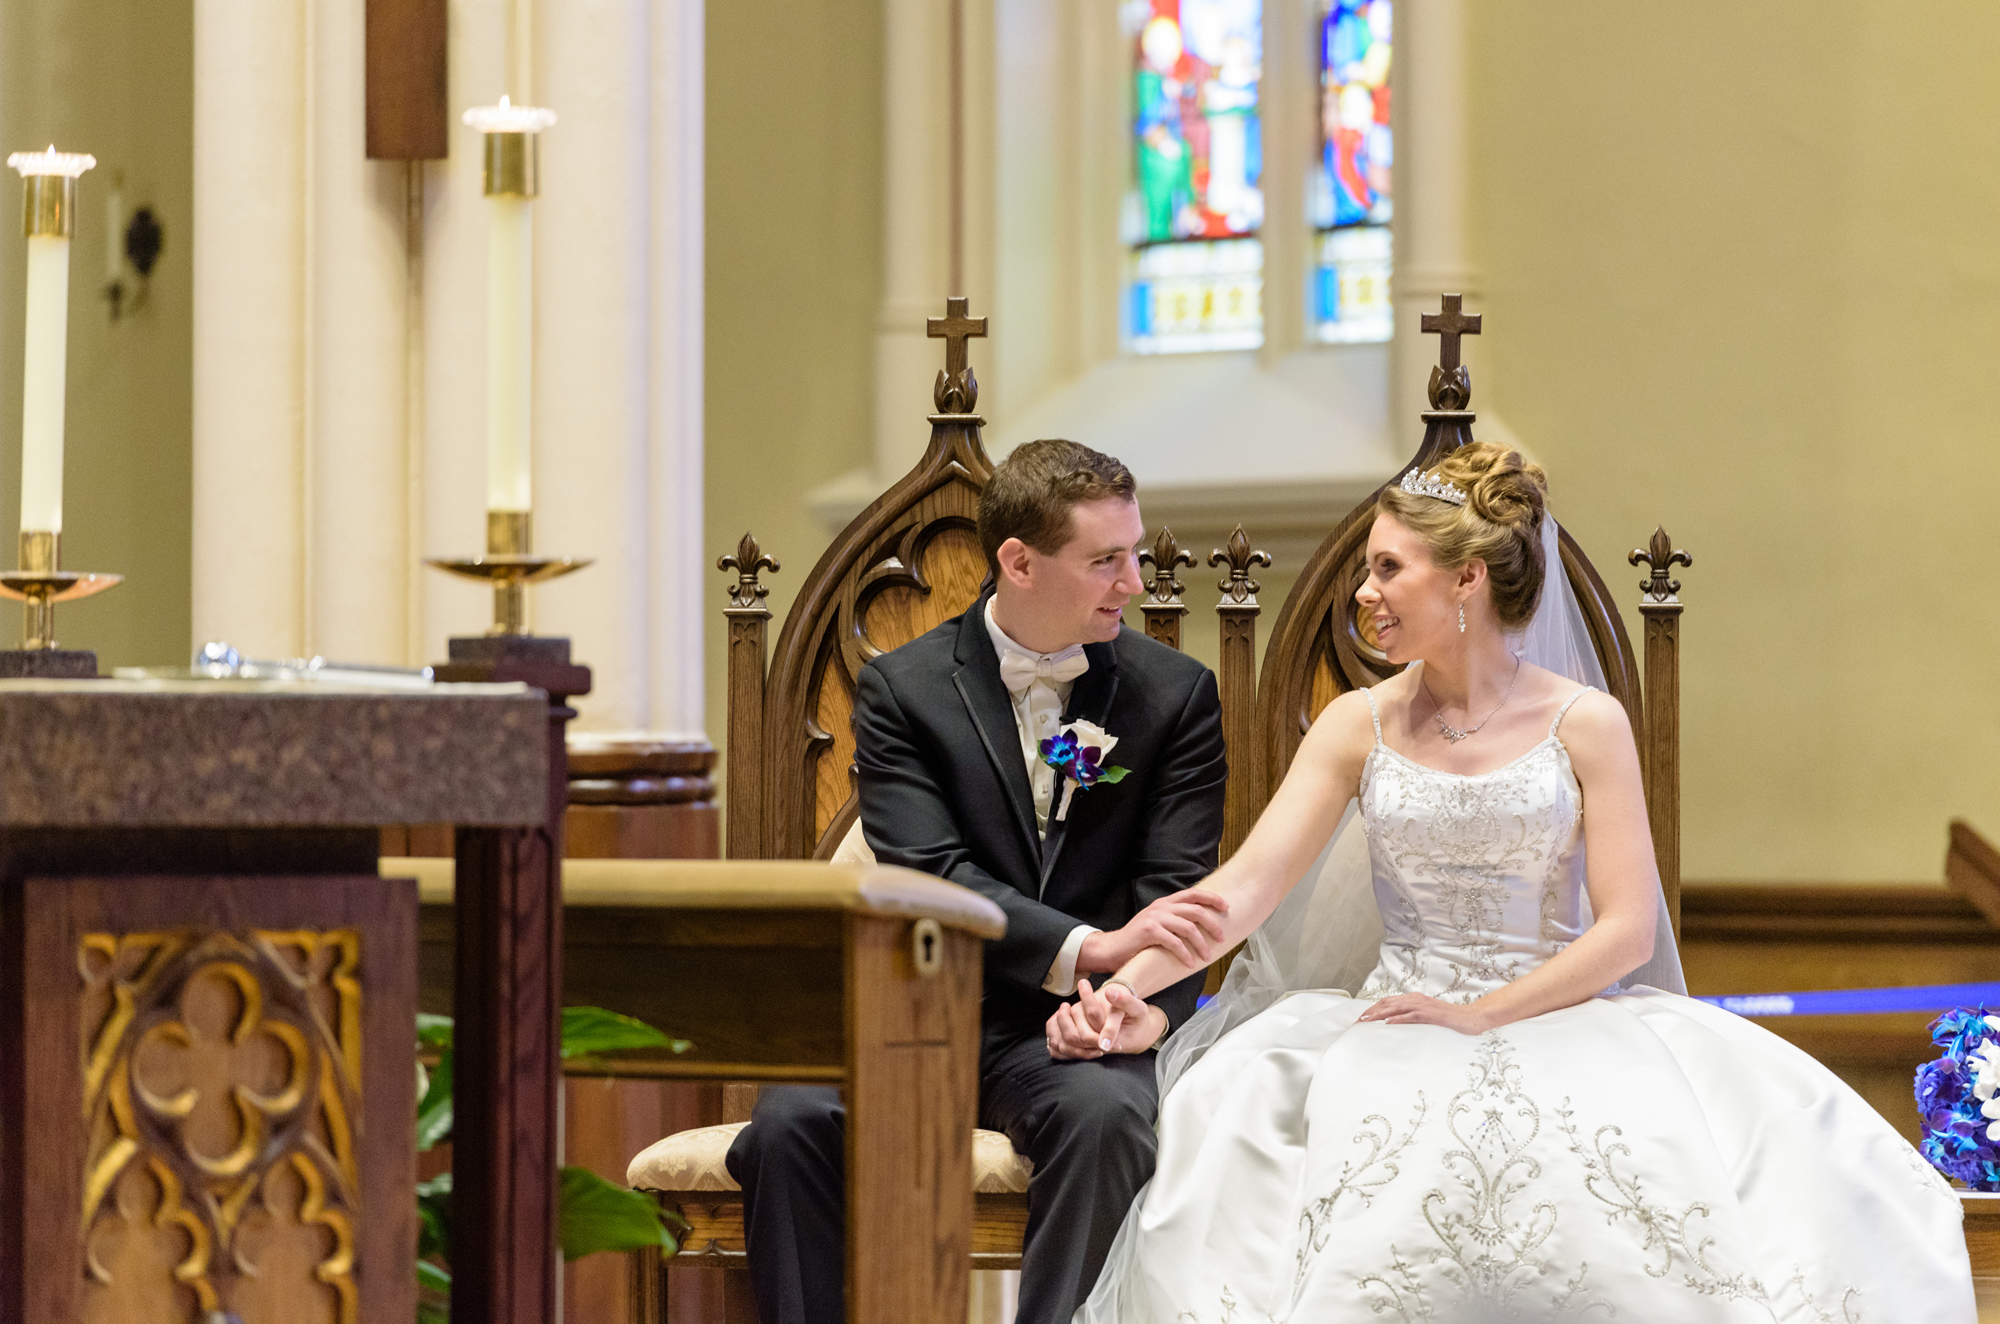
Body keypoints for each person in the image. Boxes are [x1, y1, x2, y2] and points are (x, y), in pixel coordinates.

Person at [1058, 442, 1975, 1322]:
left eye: (1387, 568)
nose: (1363, 593)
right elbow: (1242, 893)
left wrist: (1484, 1014)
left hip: (1558, 1011)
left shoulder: (1588, 722)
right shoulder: (1354, 724)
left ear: (1467, 579)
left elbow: (1625, 930)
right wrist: (1120, 988)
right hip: (1395, 1011)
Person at [726, 439, 1230, 1324]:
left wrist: (1124, 998)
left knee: (1110, 1118)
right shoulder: (902, 690)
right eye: (1106, 560)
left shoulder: (1174, 695)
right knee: (790, 1122)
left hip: (1076, 1030)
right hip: (914, 1005)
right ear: (1018, 561)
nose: (1135, 582)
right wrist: (1084, 945)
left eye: (1134, 552)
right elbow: (931, 872)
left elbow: (1173, 889)